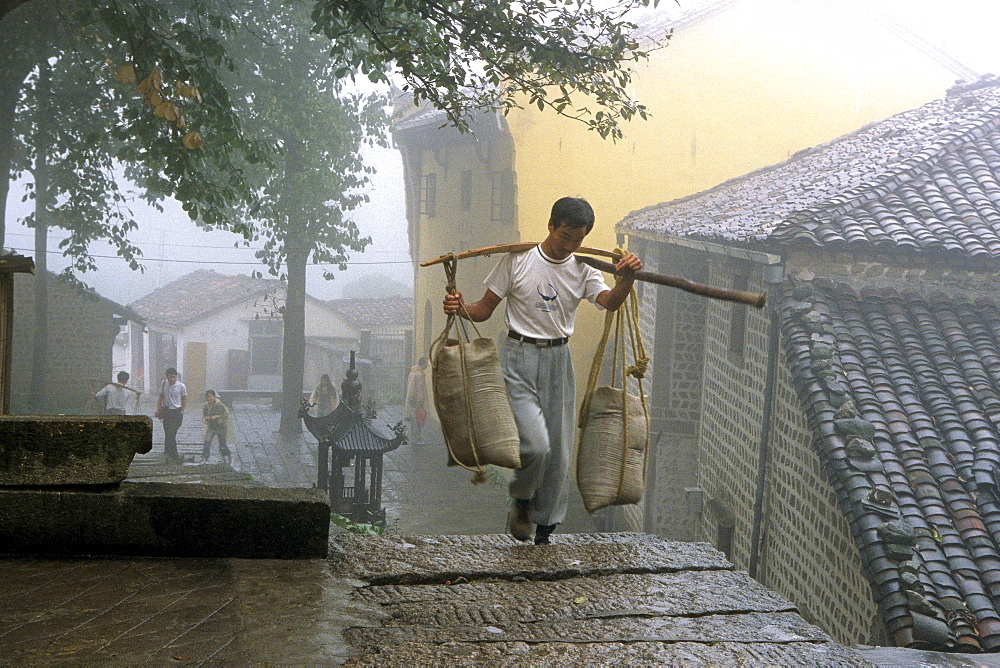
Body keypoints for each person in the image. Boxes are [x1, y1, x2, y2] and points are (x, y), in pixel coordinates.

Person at [443, 196, 641, 545]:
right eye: (565, 235)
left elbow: (609, 302)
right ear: (550, 226)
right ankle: (521, 502)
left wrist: (625, 279)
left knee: (560, 450)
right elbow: (484, 309)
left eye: (578, 239)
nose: (570, 245)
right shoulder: (517, 260)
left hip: (558, 360)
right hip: (517, 357)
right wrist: (459, 308)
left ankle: (545, 529)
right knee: (536, 446)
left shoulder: (583, 268)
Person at [156, 367, 187, 464]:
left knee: (171, 433)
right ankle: (167, 451)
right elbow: (161, 396)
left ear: (176, 376)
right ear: (167, 377)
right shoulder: (164, 383)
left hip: (176, 412)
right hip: (167, 412)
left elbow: (184, 398)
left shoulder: (181, 386)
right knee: (167, 432)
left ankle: (174, 455)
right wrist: (158, 409)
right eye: (170, 377)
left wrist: (182, 410)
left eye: (174, 377)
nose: (172, 379)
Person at [202, 389, 232, 464]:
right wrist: (206, 419)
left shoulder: (220, 405)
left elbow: (226, 415)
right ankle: (205, 458)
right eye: (207, 397)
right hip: (211, 427)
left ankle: (229, 456)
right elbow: (204, 415)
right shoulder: (206, 406)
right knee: (207, 441)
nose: (208, 399)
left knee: (222, 445)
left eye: (210, 397)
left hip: (221, 428)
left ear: (214, 397)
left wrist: (217, 417)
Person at [404, 357, 429, 444]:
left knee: (414, 418)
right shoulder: (419, 374)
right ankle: (416, 439)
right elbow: (419, 388)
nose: (427, 365)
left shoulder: (413, 372)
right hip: (416, 400)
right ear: (423, 363)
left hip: (412, 399)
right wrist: (421, 400)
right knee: (417, 419)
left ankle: (415, 437)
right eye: (426, 363)